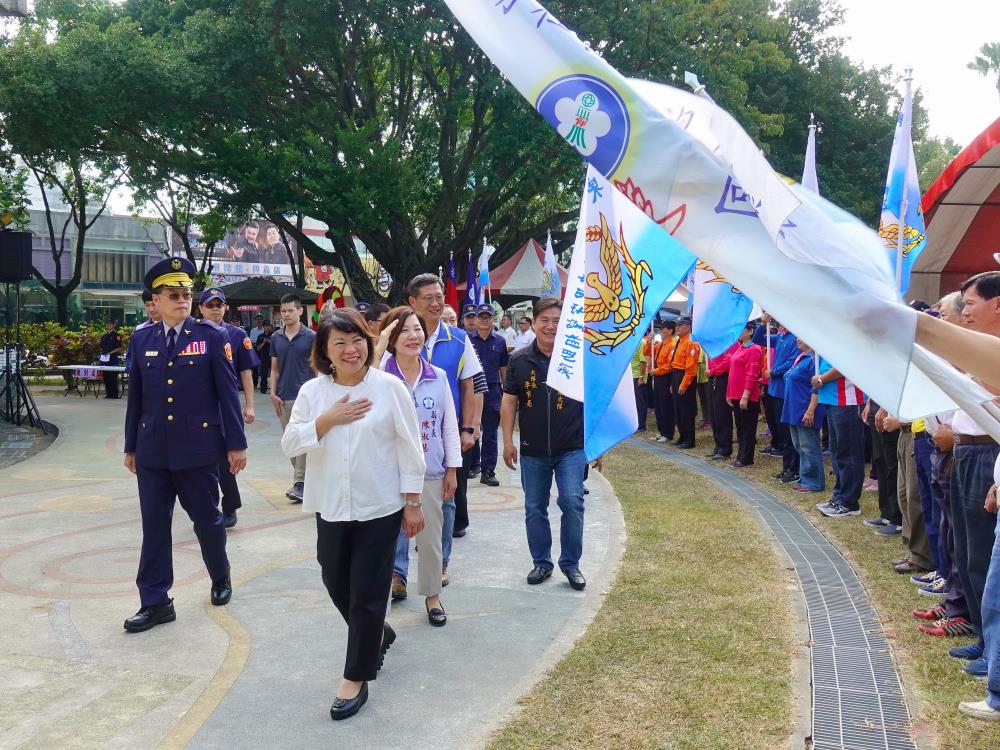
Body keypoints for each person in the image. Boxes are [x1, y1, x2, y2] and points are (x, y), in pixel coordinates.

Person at [280, 309, 425, 721]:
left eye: (357, 339)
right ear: (324, 351)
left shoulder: (390, 388)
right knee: (333, 576)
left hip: (380, 506)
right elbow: (291, 444)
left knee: (367, 591)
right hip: (330, 504)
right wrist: (327, 420)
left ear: (369, 341)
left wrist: (412, 503)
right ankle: (378, 632)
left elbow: (409, 448)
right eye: (339, 343)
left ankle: (355, 677)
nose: (350, 349)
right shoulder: (313, 393)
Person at [121, 257, 247, 633]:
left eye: (186, 294)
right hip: (153, 451)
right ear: (154, 301)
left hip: (198, 449)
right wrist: (131, 446)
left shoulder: (211, 337)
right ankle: (156, 602)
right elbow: (136, 398)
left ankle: (220, 575)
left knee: (207, 521)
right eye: (173, 295)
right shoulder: (141, 339)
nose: (182, 300)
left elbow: (228, 395)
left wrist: (235, 445)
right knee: (154, 528)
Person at [501, 297, 588, 591]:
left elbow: (596, 403)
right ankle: (541, 562)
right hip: (532, 448)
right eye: (545, 320)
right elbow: (510, 402)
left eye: (557, 320)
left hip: (572, 447)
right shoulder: (519, 360)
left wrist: (597, 445)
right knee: (534, 507)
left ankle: (571, 564)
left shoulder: (578, 360)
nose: (551, 326)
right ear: (534, 323)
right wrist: (507, 441)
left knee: (573, 502)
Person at [381, 306, 460, 625]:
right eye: (404, 331)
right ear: (390, 339)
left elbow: (449, 426)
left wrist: (452, 468)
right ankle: (382, 599)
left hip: (431, 472)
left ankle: (432, 597)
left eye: (417, 329)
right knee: (384, 541)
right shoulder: (380, 378)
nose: (413, 336)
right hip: (387, 475)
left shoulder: (437, 377)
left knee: (429, 539)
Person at [404, 274, 484, 560]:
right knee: (402, 497)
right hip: (403, 435)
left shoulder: (459, 339)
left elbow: (469, 384)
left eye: (439, 297)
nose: (436, 303)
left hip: (445, 435)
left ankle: (440, 564)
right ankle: (398, 572)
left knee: (446, 500)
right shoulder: (399, 338)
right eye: (429, 298)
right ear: (412, 302)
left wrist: (468, 428)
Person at [199, 287, 259, 528]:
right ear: (200, 308)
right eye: (210, 305)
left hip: (226, 402)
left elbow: (245, 372)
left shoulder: (237, 335)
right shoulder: (192, 334)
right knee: (201, 457)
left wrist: (250, 406)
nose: (215, 309)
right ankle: (207, 506)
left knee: (227, 457)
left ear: (225, 307)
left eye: (219, 305)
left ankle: (230, 505)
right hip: (199, 402)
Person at [270, 294, 317, 503]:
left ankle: (300, 482)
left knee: (303, 440)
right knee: (290, 442)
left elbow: (317, 367)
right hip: (283, 397)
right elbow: (274, 368)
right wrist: (272, 392)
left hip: (306, 397)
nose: (286, 314)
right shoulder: (276, 338)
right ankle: (305, 482)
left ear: (300, 311)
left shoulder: (312, 337)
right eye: (283, 311)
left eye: (290, 310)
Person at [811, 359, 866, 519]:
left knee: (848, 453)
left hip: (846, 400)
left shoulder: (847, 338)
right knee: (837, 452)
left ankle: (849, 502)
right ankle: (839, 496)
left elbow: (846, 365)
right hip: (832, 399)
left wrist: (822, 379)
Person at [469, 303, 509, 487]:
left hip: (493, 390)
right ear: (475, 319)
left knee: (491, 432)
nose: (484, 319)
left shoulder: (500, 341)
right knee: (471, 429)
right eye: (481, 316)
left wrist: (506, 392)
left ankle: (488, 470)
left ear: (494, 319)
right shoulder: (467, 340)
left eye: (488, 316)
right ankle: (472, 465)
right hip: (472, 389)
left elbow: (503, 368)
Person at [780, 339, 825, 494]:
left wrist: (810, 410)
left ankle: (814, 482)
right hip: (794, 408)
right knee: (800, 446)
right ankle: (805, 477)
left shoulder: (816, 360)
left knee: (809, 446)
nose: (798, 339)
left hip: (805, 409)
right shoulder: (802, 357)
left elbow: (817, 388)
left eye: (802, 336)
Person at [763, 322, 799, 477]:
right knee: (780, 431)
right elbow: (760, 338)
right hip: (774, 390)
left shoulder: (797, 338)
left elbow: (791, 362)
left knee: (788, 433)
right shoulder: (781, 336)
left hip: (785, 391)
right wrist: (763, 323)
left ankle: (793, 468)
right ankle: (786, 467)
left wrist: (774, 371)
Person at [726, 321, 763, 467]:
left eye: (743, 329)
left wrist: (745, 396)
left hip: (746, 396)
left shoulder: (754, 349)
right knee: (740, 427)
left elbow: (752, 374)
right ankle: (741, 455)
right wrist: (729, 393)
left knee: (748, 427)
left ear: (751, 331)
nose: (740, 332)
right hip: (736, 394)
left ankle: (746, 457)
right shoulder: (740, 347)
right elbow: (733, 372)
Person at [662, 315, 699, 448]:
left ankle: (689, 440)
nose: (677, 327)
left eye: (680, 325)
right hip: (676, 375)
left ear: (688, 327)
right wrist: (674, 383)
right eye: (677, 325)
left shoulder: (691, 342)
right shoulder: (680, 340)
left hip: (685, 376)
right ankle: (682, 436)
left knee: (686, 410)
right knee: (678, 410)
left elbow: (691, 367)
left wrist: (684, 384)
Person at [706, 338, 739, 460]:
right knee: (714, 415)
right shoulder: (715, 341)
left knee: (722, 414)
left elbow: (727, 362)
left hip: (723, 378)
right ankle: (718, 445)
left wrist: (714, 370)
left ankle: (725, 448)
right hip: (713, 378)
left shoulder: (731, 341)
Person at [648, 320, 677, 442]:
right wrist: (650, 341)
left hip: (666, 378)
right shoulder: (660, 344)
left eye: (663, 328)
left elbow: (670, 365)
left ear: (670, 331)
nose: (660, 330)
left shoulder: (672, 345)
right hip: (658, 378)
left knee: (666, 406)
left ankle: (668, 433)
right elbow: (647, 351)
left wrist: (657, 371)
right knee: (658, 406)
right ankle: (661, 431)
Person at [99, 320, 124, 399]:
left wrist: (110, 353)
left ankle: (114, 394)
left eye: (110, 324)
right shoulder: (104, 336)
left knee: (112, 376)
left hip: (112, 358)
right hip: (104, 358)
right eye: (107, 324)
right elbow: (102, 347)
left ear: (113, 325)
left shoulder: (117, 335)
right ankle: (108, 394)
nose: (108, 325)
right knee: (106, 376)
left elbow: (119, 348)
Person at [255, 321, 273, 393]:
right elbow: (258, 348)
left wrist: (268, 341)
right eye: (265, 326)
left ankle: (275, 389)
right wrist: (263, 342)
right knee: (263, 373)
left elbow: (276, 346)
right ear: (263, 327)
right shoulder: (260, 336)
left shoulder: (274, 335)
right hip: (264, 357)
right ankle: (263, 389)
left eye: (268, 326)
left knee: (274, 373)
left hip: (272, 357)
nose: (267, 327)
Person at [249, 315, 265, 389]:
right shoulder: (253, 330)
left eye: (260, 319)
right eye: (257, 320)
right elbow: (252, 341)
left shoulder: (265, 330)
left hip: (264, 349)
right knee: (255, 367)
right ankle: (254, 384)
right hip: (255, 350)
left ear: (262, 320)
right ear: (255, 321)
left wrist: (258, 342)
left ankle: (263, 384)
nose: (259, 321)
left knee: (264, 367)